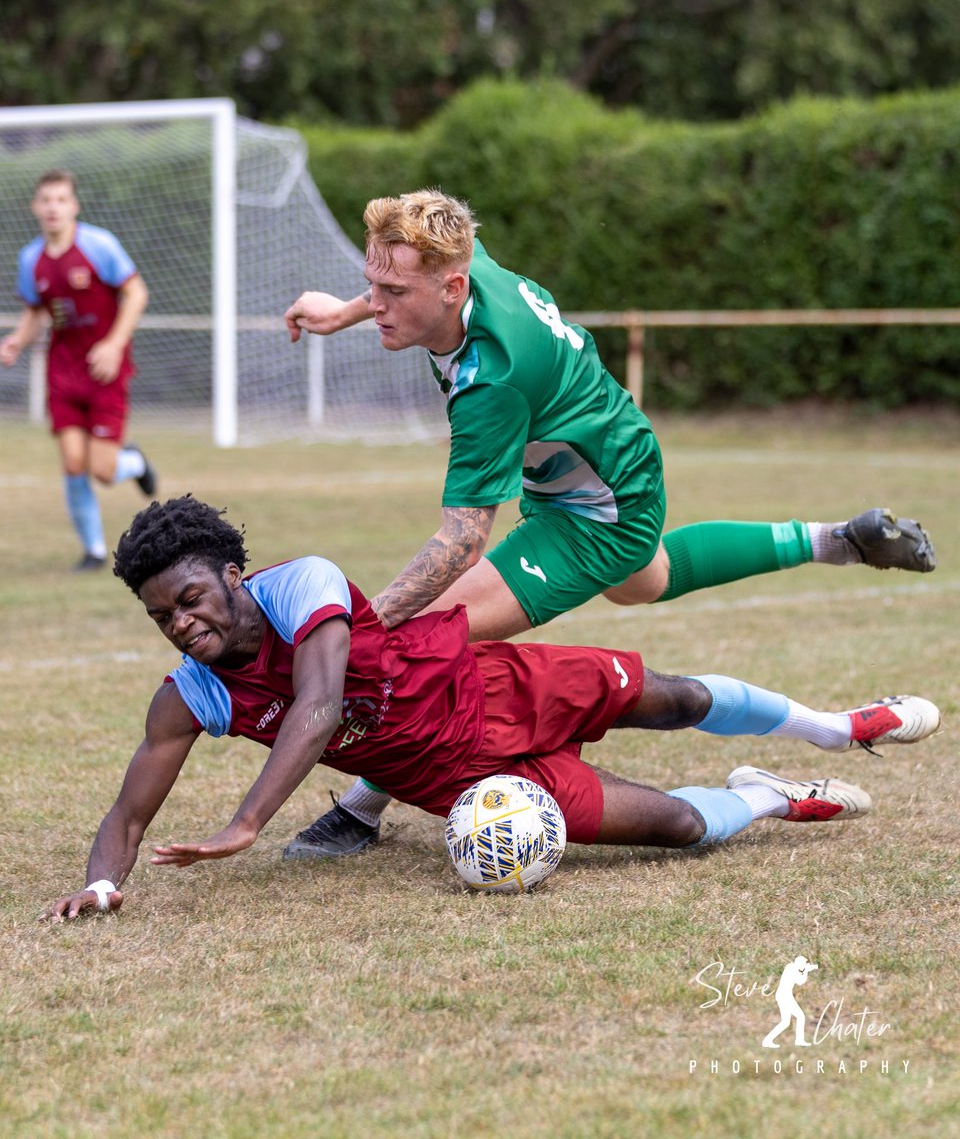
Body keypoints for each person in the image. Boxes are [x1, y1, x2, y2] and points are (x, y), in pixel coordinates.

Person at [282, 189, 936, 856]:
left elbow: (462, 539)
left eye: (392, 290)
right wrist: (345, 310)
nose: (379, 302)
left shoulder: (492, 378)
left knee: (421, 633)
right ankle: (836, 541)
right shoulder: (462, 265)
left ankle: (360, 810)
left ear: (452, 286)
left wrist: (364, 621)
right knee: (647, 580)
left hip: (597, 506)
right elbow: (409, 281)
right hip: (600, 459)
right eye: (373, 285)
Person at [43, 496, 940, 920]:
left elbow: (317, 707)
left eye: (191, 598)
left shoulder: (301, 585)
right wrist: (101, 882)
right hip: (473, 780)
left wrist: (246, 824)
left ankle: (841, 725)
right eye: (161, 615)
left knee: (676, 699)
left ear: (231, 575)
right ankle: (778, 792)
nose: (181, 622)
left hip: (501, 685)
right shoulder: (190, 696)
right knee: (675, 829)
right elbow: (129, 809)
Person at [0, 169, 157, 572]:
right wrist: (18, 339)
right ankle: (94, 550)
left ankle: (134, 462)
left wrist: (113, 344)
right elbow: (37, 310)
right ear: (36, 207)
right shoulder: (30, 258)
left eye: (61, 199)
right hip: (63, 370)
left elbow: (136, 293)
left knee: (103, 471)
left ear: (74, 206)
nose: (53, 207)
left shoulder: (98, 245)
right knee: (73, 463)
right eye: (46, 200)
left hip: (106, 370)